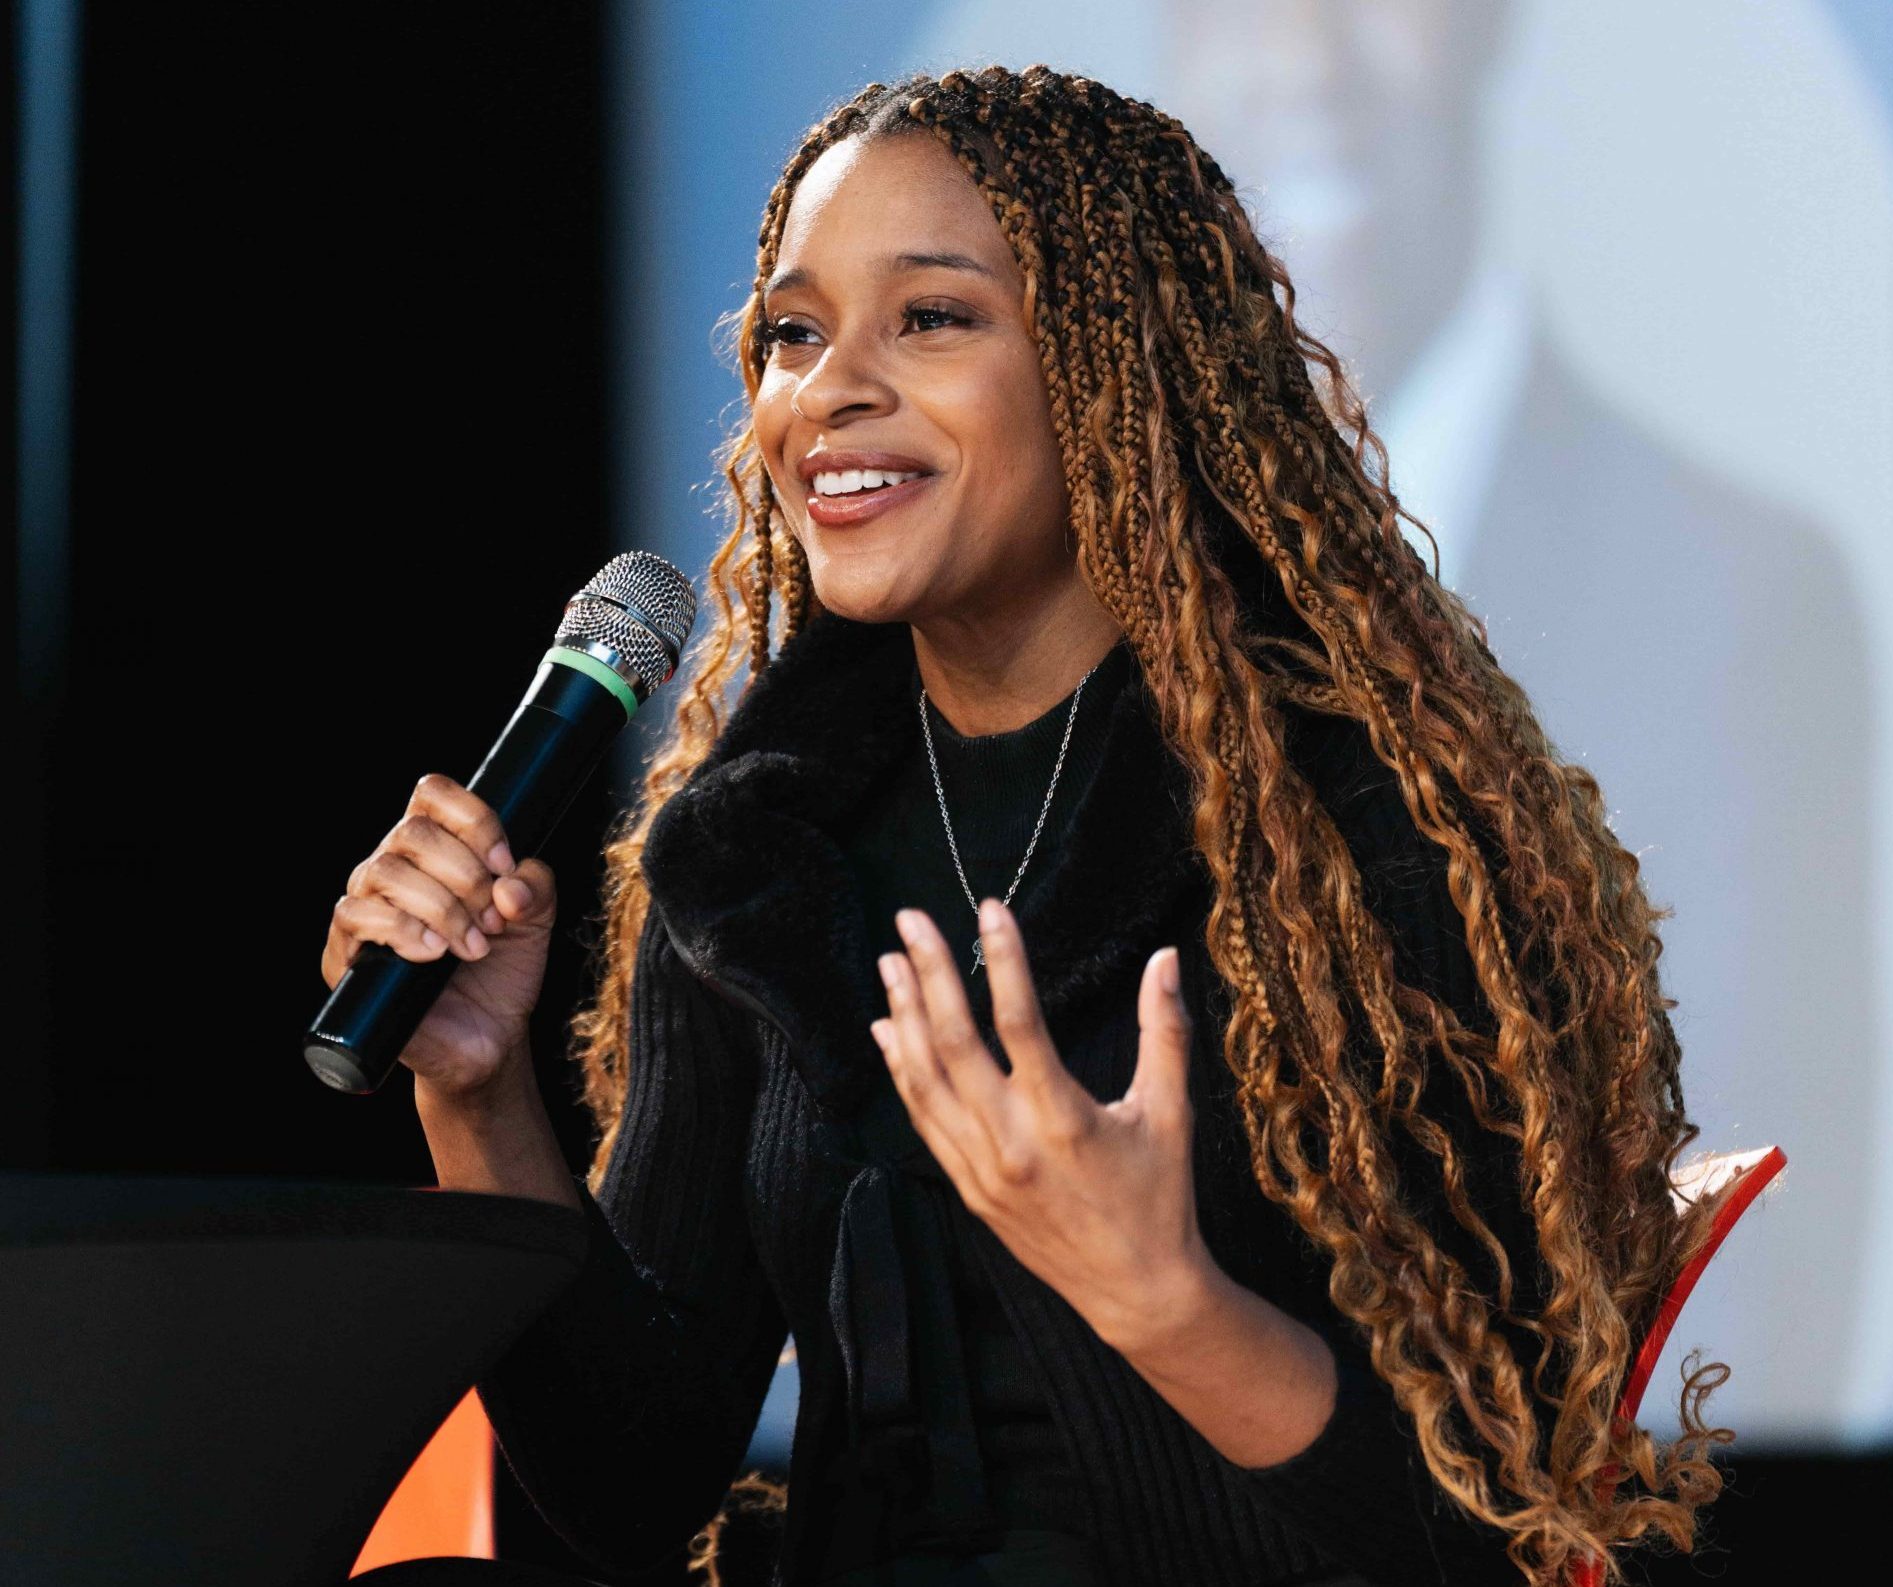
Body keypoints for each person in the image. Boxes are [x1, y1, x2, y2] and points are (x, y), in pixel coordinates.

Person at [323, 65, 1732, 1587]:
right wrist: (477, 1097)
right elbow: (627, 1488)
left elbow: (1490, 1534)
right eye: (794, 334)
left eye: (930, 318)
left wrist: (1157, 1298)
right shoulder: (754, 849)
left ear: (1113, 371)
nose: (830, 390)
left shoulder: (1349, 824)